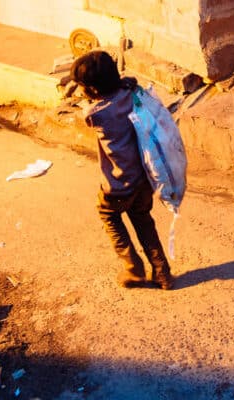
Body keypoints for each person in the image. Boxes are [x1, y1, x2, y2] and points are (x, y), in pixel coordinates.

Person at [68, 50, 174, 289]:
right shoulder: (131, 94)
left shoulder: (96, 114)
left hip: (117, 185)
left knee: (109, 216)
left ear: (92, 90)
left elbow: (87, 110)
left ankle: (133, 268)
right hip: (143, 179)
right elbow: (128, 87)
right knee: (143, 220)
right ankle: (162, 273)